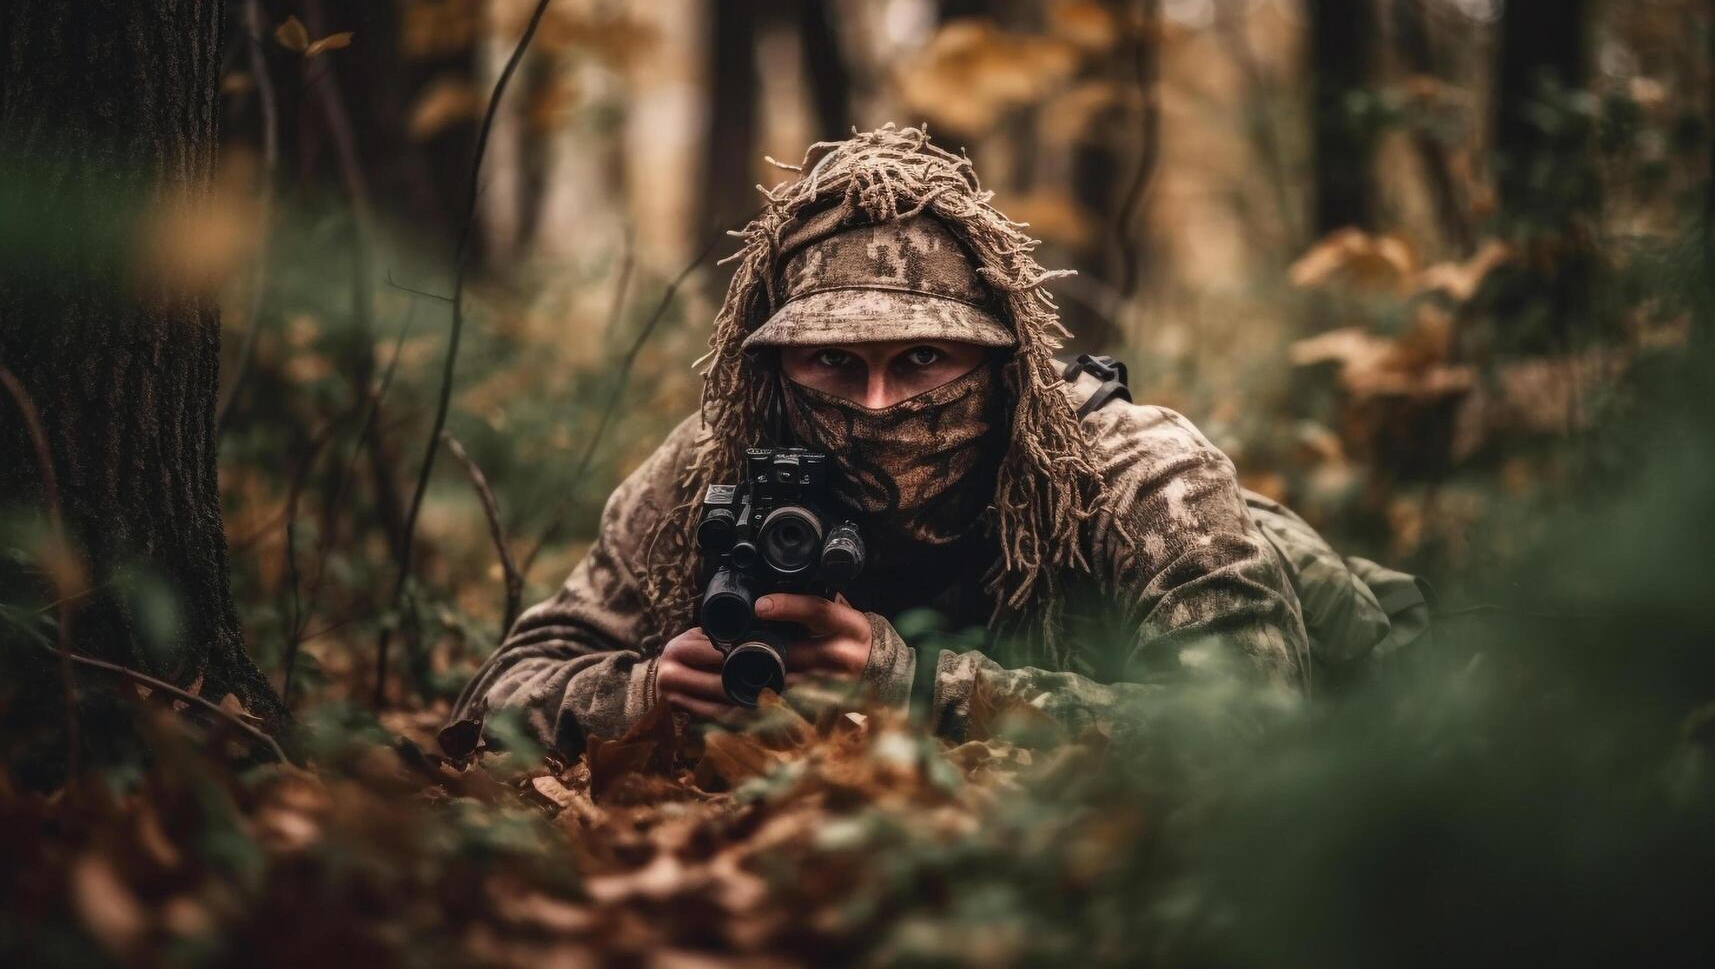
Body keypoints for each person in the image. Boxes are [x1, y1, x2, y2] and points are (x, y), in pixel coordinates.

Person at [452, 125, 1404, 752]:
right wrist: (646, 694)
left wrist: (914, 687)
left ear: (1002, 366)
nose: (874, 406)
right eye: (831, 363)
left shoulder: (1133, 470)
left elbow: (1247, 729)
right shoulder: (715, 463)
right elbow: (490, 702)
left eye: (920, 360)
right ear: (772, 368)